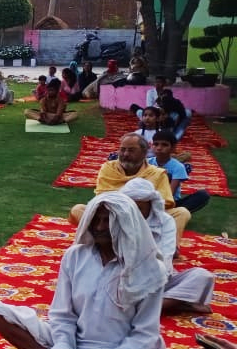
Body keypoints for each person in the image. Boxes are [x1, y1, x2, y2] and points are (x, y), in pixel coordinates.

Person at [0, 192, 213, 349]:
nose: (100, 227)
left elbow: (144, 335)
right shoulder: (75, 256)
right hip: (73, 346)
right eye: (96, 220)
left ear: (125, 224)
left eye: (108, 221)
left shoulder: (150, 268)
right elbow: (62, 315)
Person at [119, 178, 215, 315]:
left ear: (150, 204)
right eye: (131, 207)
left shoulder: (166, 222)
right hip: (122, 278)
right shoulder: (119, 219)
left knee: (202, 276)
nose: (134, 212)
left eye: (139, 207)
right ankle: (172, 303)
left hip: (158, 278)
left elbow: (164, 259)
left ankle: (145, 308)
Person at [70, 133, 191, 236]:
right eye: (122, 149)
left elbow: (166, 202)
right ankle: (100, 238)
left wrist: (141, 207)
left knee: (182, 212)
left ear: (144, 153)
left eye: (131, 150)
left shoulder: (157, 173)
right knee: (78, 209)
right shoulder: (108, 168)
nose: (125, 154)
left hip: (146, 219)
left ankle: (173, 248)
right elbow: (102, 196)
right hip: (112, 216)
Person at [149, 130, 209, 214]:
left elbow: (170, 193)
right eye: (156, 144)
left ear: (173, 148)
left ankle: (171, 213)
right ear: (151, 146)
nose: (159, 148)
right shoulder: (147, 163)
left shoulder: (178, 167)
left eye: (164, 145)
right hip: (147, 199)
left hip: (170, 202)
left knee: (203, 195)